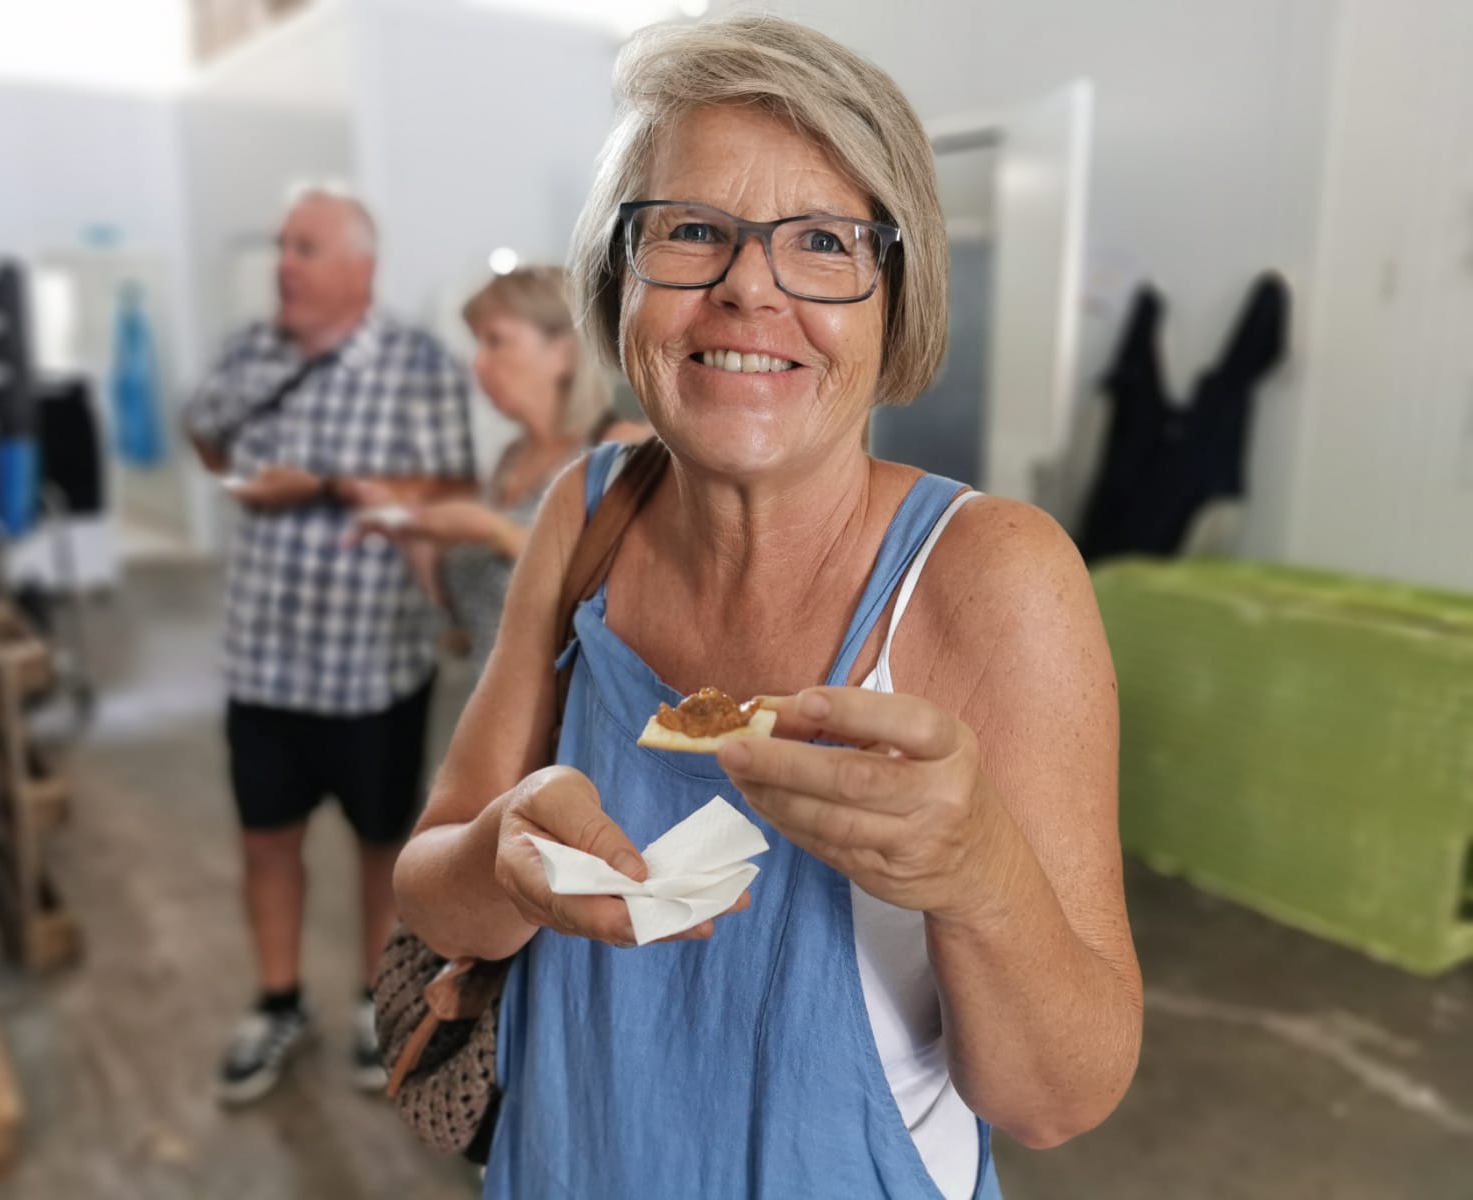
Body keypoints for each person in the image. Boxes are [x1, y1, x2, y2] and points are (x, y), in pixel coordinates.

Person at [394, 15, 1141, 1199]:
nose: (748, 287)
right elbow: (436, 895)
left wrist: (977, 871)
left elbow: (1054, 1102)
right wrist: (503, 855)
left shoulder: (994, 573)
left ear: (897, 299)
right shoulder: (587, 509)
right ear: (619, 277)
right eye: (692, 230)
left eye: (824, 242)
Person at [183, 185, 475, 1105]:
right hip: (262, 659)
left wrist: (320, 484)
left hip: (371, 665)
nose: (285, 264)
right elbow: (206, 435)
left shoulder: (416, 364)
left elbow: (445, 489)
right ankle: (278, 1002)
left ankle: (370, 1002)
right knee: (265, 838)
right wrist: (238, 471)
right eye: (282, 246)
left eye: (305, 248)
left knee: (380, 843)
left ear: (361, 266)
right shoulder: (250, 351)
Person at [354, 265, 646, 674]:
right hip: (479, 694)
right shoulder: (511, 459)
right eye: (477, 343)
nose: (477, 364)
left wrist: (495, 530)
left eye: (495, 341)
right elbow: (472, 618)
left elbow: (632, 603)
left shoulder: (622, 451)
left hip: (563, 707)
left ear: (562, 354)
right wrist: (416, 535)